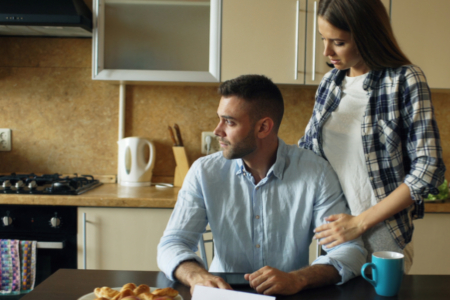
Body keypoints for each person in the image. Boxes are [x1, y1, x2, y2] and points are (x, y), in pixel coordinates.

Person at [157, 74, 367, 296]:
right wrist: (197, 276)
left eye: (229, 122)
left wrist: (299, 278)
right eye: (220, 119)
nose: (217, 131)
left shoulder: (316, 172)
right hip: (223, 294)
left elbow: (350, 251)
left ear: (263, 127)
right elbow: (173, 243)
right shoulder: (204, 172)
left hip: (289, 294)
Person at [299, 0, 446, 273]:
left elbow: (428, 168)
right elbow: (308, 153)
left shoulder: (405, 79)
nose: (326, 51)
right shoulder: (330, 83)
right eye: (323, 39)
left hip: (381, 231)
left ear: (367, 36)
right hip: (335, 232)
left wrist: (359, 223)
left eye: (338, 42)